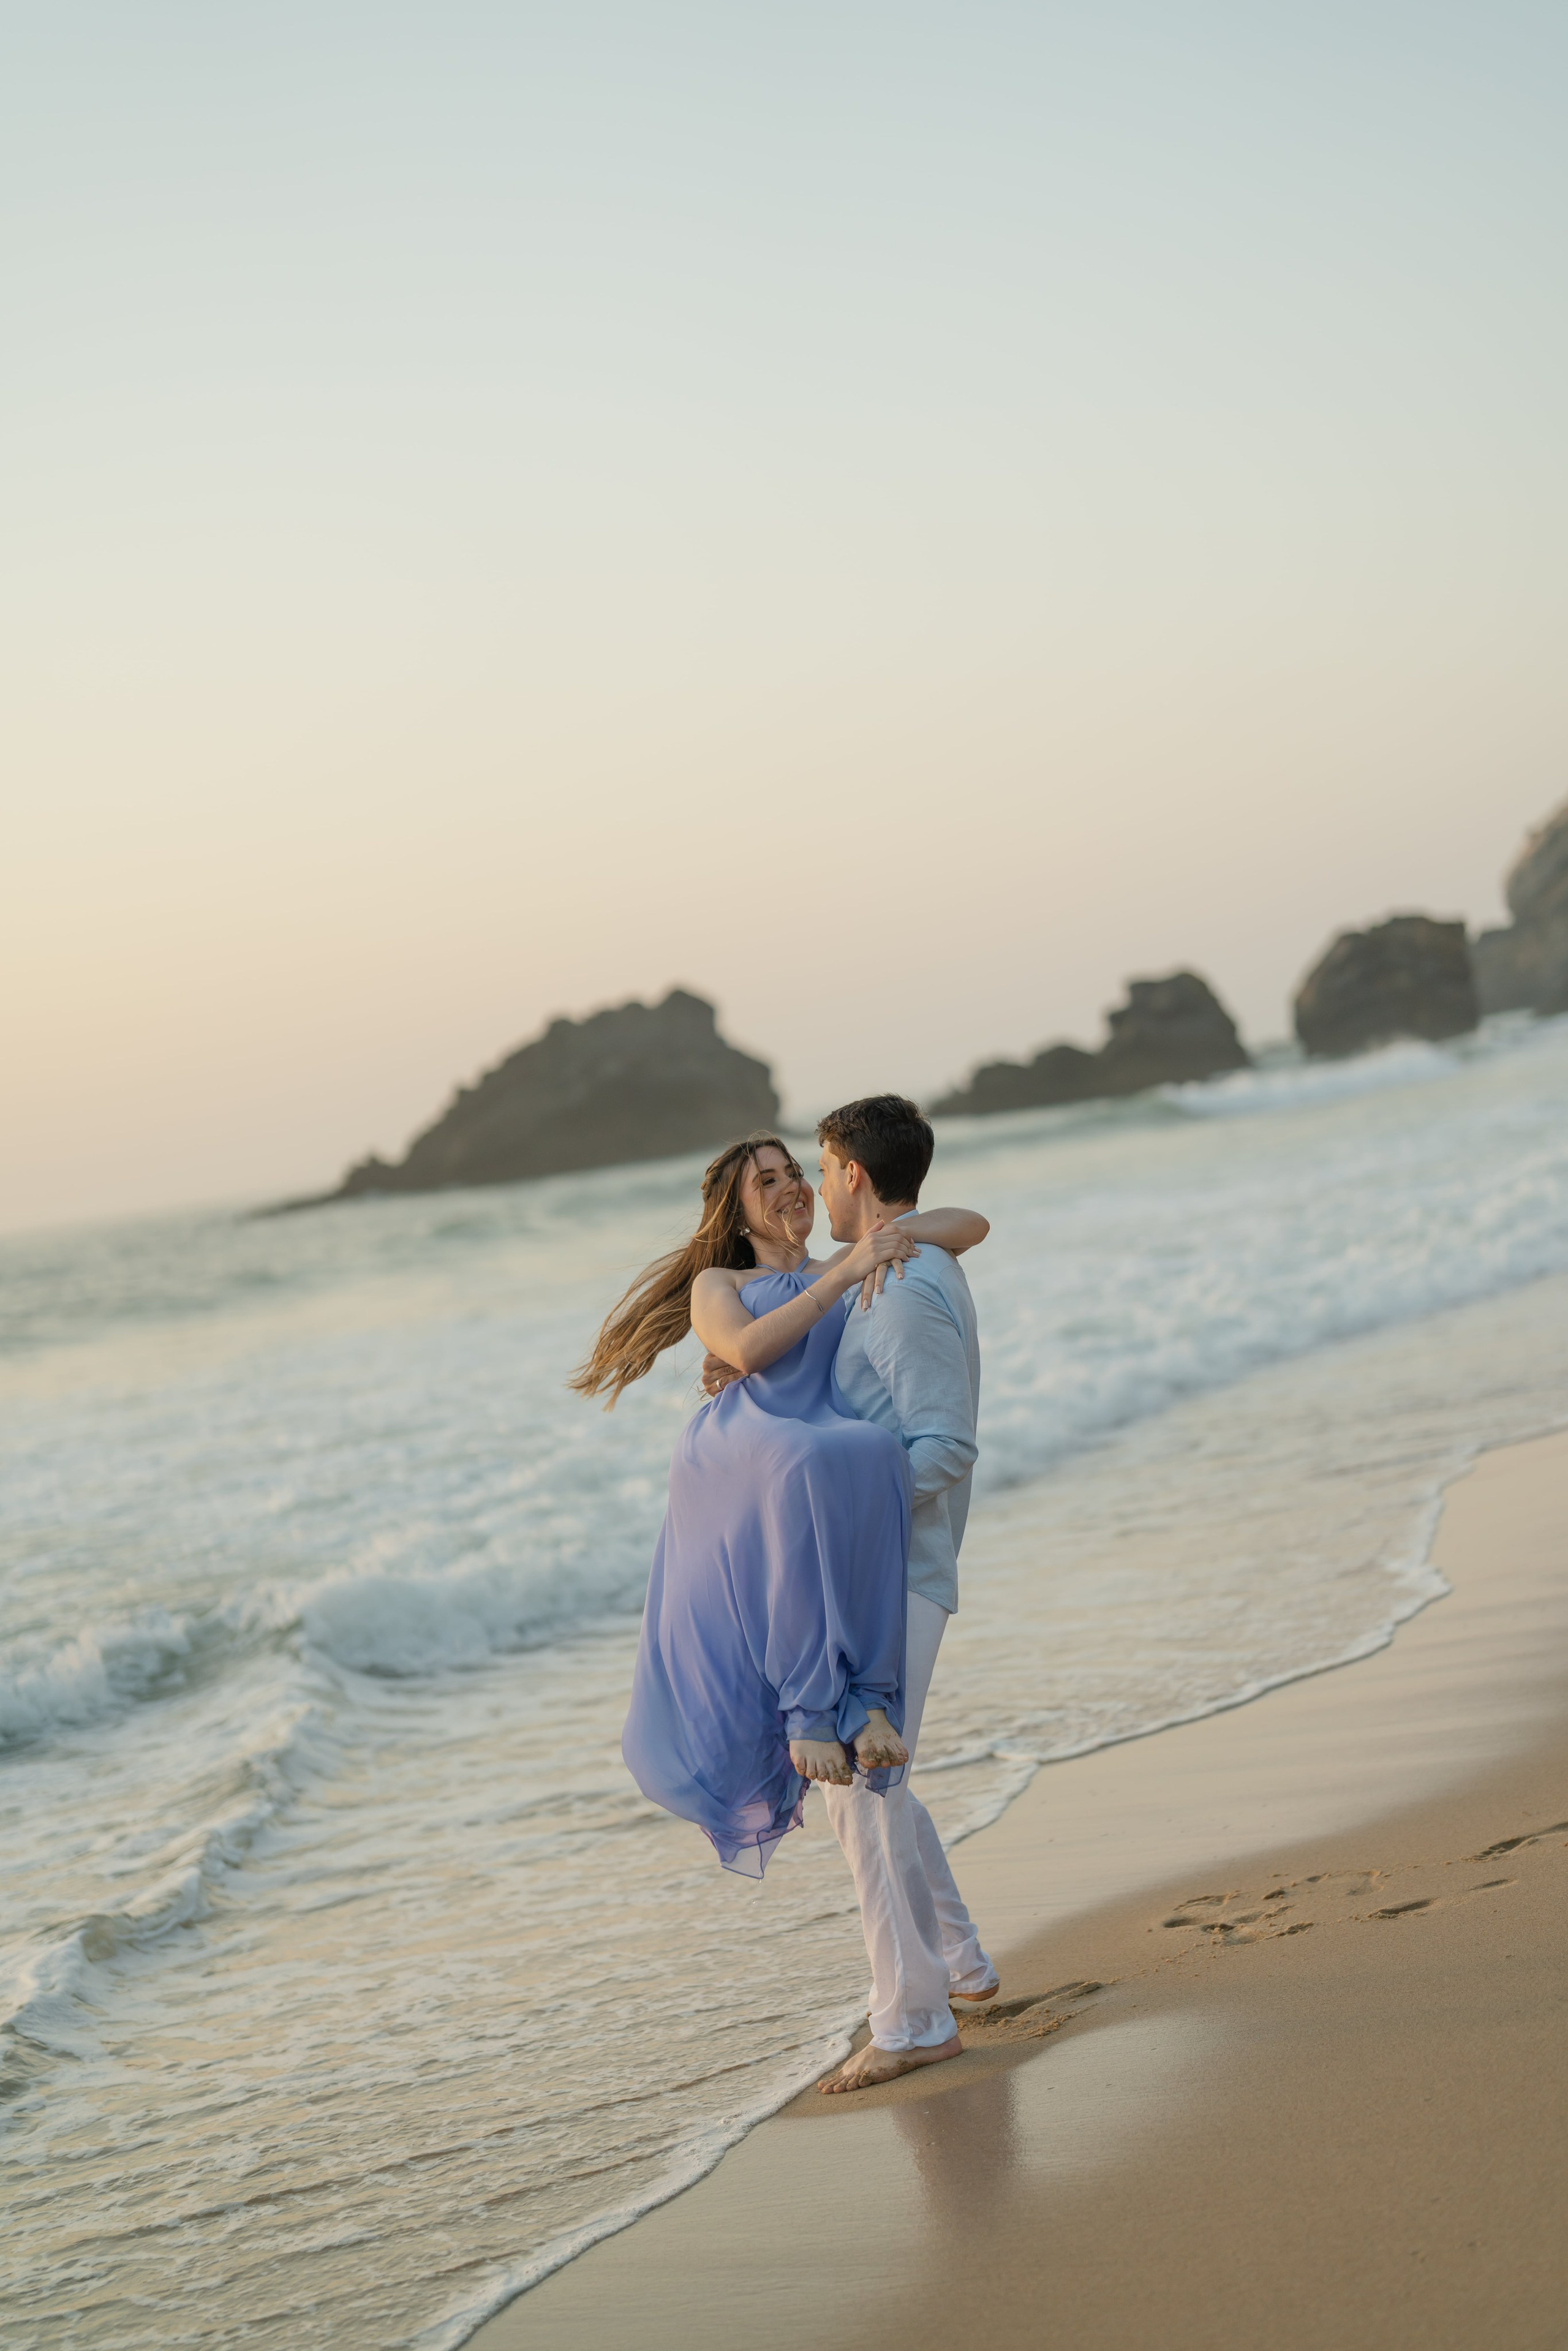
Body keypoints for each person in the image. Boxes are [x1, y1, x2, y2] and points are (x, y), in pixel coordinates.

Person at [571, 1133, 989, 1877]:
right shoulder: (720, 1284)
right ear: (736, 1214)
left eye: (796, 1171)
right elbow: (747, 1351)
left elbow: (970, 1225)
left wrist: (880, 1237)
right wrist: (846, 1271)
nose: (791, 1184)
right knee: (821, 1460)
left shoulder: (839, 1258)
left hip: (817, 1439)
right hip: (746, 1446)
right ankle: (809, 1710)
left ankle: (866, 1701)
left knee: (863, 1452)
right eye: (766, 1181)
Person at [703, 1096, 996, 2090]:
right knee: (878, 1781)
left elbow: (946, 1445)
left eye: (819, 1170)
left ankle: (911, 2019)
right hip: (861, 1571)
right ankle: (958, 1962)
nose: (812, 1188)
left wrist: (842, 1527)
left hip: (893, 1570)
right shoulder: (868, 1275)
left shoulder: (905, 1285)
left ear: (853, 1176)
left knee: (862, 1791)